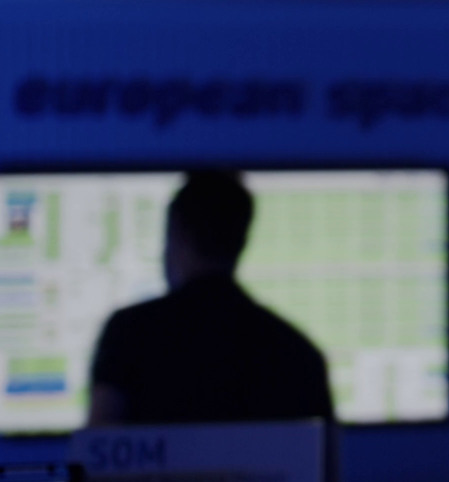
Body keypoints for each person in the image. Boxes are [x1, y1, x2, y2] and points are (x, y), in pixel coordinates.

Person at [88, 171, 335, 426]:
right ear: (242, 239)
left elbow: (100, 443)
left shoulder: (129, 333)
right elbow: (322, 449)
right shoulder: (299, 355)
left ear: (177, 232)